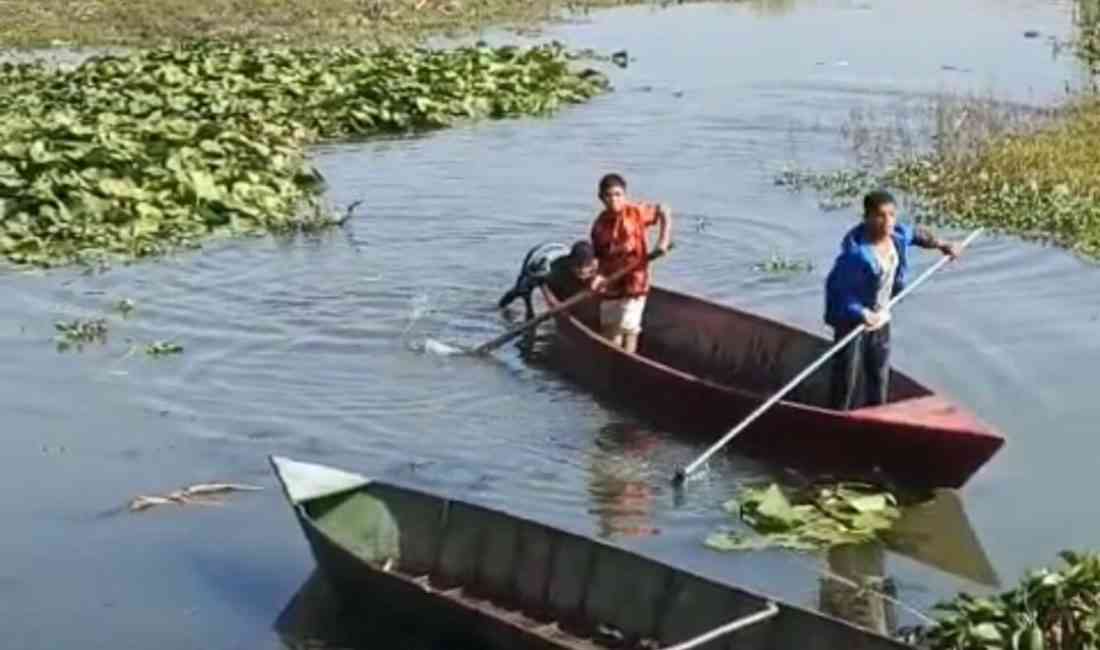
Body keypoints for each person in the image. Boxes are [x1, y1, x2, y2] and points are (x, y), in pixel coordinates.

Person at [824, 190, 961, 410]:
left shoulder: (896, 236)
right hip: (852, 323)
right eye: (880, 215)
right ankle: (836, 419)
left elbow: (916, 235)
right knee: (845, 381)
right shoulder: (856, 255)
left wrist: (942, 244)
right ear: (867, 217)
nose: (888, 221)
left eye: (891, 215)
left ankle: (876, 418)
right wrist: (861, 313)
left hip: (881, 319)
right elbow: (838, 292)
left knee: (879, 377)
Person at [589, 173, 672, 354]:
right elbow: (598, 257)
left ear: (625, 196)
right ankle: (611, 362)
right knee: (610, 331)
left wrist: (663, 241)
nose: (614, 200)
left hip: (635, 280)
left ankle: (626, 362)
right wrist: (597, 277)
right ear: (601, 198)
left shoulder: (636, 212)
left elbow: (664, 209)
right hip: (611, 281)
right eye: (609, 195)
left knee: (627, 327)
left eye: (618, 194)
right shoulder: (599, 225)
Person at [497, 240, 599, 320]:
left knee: (568, 291)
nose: (583, 270)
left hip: (559, 250)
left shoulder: (594, 264)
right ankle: (499, 307)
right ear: (571, 263)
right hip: (538, 258)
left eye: (586, 266)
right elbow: (543, 285)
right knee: (522, 291)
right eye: (578, 267)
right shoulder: (550, 270)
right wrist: (553, 303)